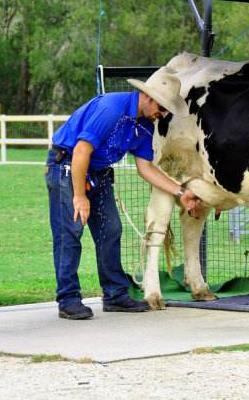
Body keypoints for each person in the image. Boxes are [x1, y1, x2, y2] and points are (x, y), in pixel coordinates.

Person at [46, 69, 198, 320]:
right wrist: (79, 196)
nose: (164, 114)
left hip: (98, 171)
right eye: (162, 106)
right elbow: (82, 151)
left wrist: (180, 192)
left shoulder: (146, 125)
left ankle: (115, 295)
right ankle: (68, 299)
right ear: (147, 97)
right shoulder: (112, 109)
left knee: (111, 229)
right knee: (70, 231)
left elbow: (146, 168)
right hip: (68, 165)